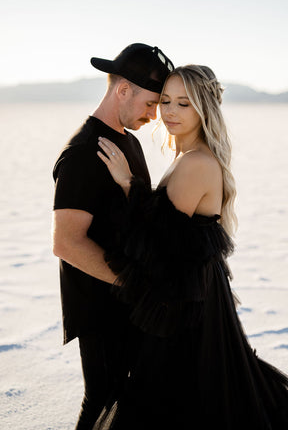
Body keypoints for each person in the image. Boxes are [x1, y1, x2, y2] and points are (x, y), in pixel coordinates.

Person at [90, 64, 288, 429]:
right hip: (189, 295)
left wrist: (129, 185)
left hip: (189, 308)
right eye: (165, 101)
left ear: (204, 109)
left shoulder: (196, 162)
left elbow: (161, 244)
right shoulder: (186, 156)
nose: (169, 111)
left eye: (184, 103)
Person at [52, 43, 174, 429]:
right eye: (151, 104)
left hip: (130, 303)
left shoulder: (128, 141)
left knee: (134, 403)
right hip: (101, 306)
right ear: (123, 90)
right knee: (104, 402)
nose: (155, 116)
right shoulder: (84, 152)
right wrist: (134, 284)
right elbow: (67, 242)